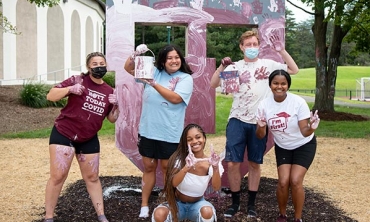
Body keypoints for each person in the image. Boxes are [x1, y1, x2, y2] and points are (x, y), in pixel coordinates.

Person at [210, 30, 299, 218]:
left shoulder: (269, 65)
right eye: (247, 45)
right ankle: (235, 203)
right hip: (237, 119)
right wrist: (220, 68)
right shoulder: (234, 66)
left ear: (259, 46)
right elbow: (213, 84)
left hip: (259, 121)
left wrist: (281, 51)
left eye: (254, 44)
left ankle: (251, 204)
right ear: (241, 47)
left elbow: (293, 69)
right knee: (233, 163)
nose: (251, 48)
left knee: (254, 163)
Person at [44, 52, 119, 222]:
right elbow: (50, 95)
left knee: (92, 177)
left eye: (102, 63)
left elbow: (112, 119)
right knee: (58, 176)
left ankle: (101, 215)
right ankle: (49, 217)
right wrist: (69, 89)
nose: (99, 66)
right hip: (64, 133)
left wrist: (116, 105)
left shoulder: (109, 90)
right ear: (88, 67)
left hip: (89, 137)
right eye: (94, 63)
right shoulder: (77, 80)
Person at [124, 44, 194, 218]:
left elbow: (176, 98)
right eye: (169, 58)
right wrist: (134, 55)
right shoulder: (153, 71)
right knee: (148, 167)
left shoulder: (185, 78)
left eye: (177, 57)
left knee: (166, 168)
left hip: (169, 132)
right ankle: (144, 205)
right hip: (148, 130)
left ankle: (169, 202)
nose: (174, 60)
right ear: (162, 60)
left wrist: (154, 84)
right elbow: (128, 68)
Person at [255, 70, 320, 222]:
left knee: (295, 181)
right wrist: (260, 126)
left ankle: (298, 218)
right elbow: (260, 135)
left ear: (288, 85)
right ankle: (282, 215)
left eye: (283, 83)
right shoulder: (264, 105)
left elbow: (304, 131)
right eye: (275, 83)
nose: (279, 87)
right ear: (270, 85)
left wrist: (312, 128)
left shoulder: (298, 102)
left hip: (303, 145)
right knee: (283, 182)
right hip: (283, 146)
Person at [152, 123, 222, 222]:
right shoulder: (180, 159)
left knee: (207, 212)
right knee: (159, 214)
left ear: (204, 138)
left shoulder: (211, 162)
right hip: (177, 204)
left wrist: (215, 167)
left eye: (198, 137)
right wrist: (186, 167)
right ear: (185, 143)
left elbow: (216, 187)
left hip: (197, 205)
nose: (195, 141)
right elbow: (173, 183)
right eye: (190, 139)